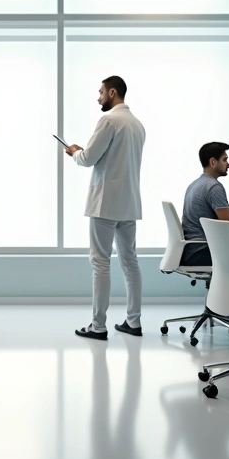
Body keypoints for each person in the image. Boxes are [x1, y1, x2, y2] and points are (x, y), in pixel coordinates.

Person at [66, 76, 146, 340]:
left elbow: (89, 158)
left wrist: (75, 152)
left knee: (100, 263)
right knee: (130, 262)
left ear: (113, 92)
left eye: (101, 92)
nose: (98, 97)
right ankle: (133, 322)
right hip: (129, 203)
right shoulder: (137, 125)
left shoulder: (109, 120)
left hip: (105, 204)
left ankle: (98, 326)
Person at [180, 142, 229, 267]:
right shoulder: (213, 187)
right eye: (225, 160)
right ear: (213, 162)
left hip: (190, 251)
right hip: (203, 251)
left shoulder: (194, 185)